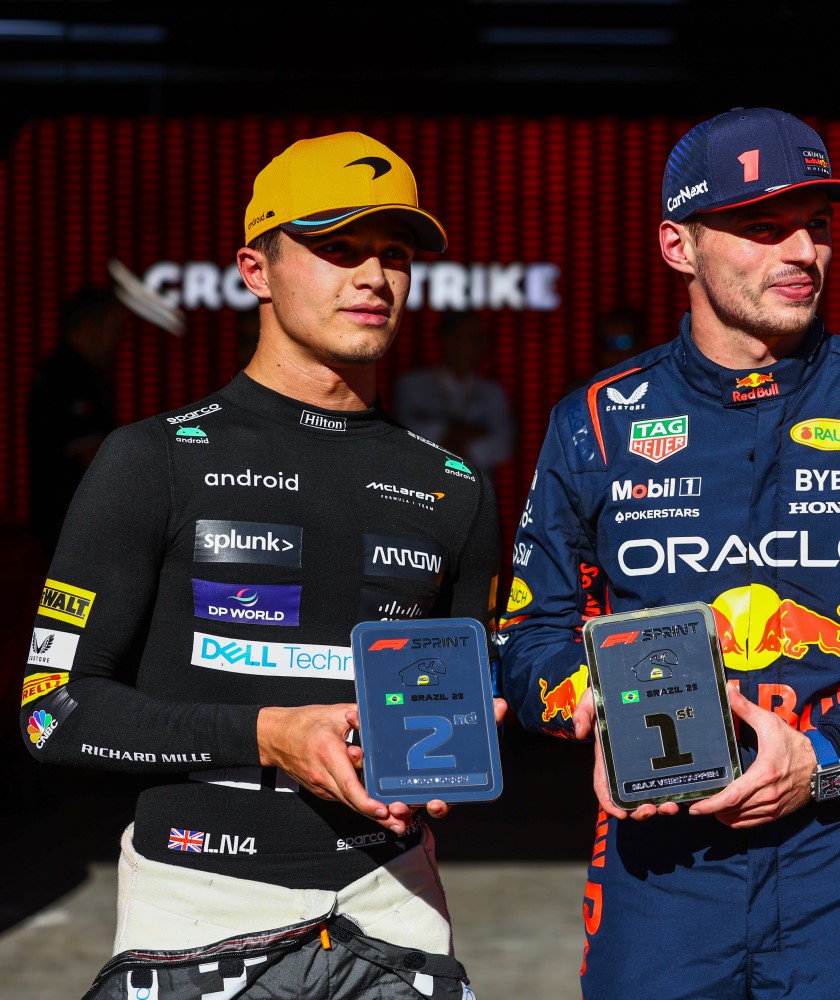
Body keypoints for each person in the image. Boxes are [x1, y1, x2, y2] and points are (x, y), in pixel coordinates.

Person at [497, 107, 840, 999]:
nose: (803, 252)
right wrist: (592, 699)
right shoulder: (594, 422)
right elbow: (528, 636)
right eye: (761, 227)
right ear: (679, 245)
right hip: (659, 858)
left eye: (818, 225)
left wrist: (826, 758)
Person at [20, 132, 501, 999]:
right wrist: (265, 734)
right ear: (256, 269)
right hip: (195, 913)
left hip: (397, 910)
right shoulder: (151, 459)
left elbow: (457, 712)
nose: (373, 277)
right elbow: (51, 714)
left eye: (394, 255)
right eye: (336, 247)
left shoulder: (454, 487)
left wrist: (462, 745)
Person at [26, 287, 126, 551]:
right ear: (90, 326)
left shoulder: (82, 375)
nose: (118, 341)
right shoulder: (66, 376)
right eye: (114, 330)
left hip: (70, 523)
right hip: (67, 527)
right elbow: (91, 456)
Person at [394, 310, 515, 470]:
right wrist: (466, 433)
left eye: (481, 339)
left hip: (475, 486)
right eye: (472, 338)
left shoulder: (493, 392)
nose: (479, 346)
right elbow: (406, 433)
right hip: (422, 483)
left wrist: (453, 446)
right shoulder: (413, 384)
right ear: (447, 341)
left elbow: (503, 444)